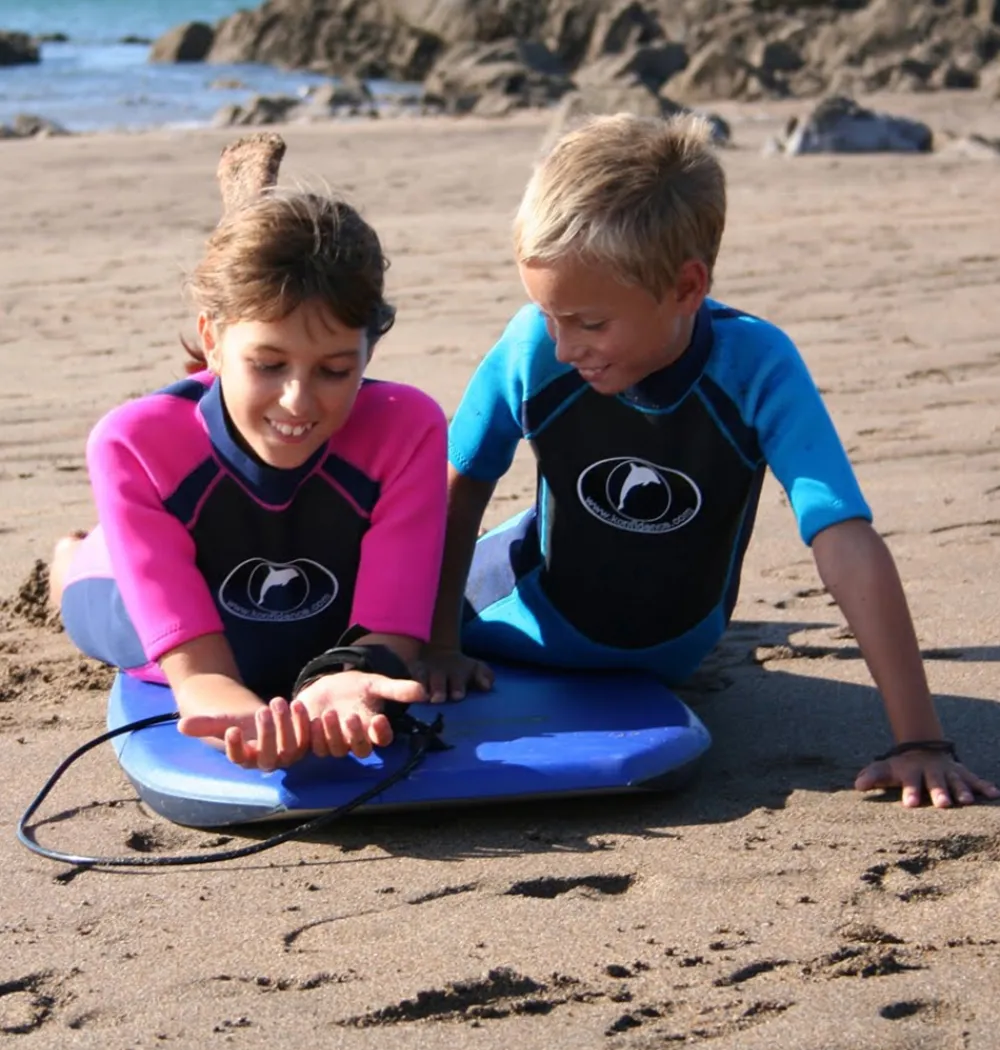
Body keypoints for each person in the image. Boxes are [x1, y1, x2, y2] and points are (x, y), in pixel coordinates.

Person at [417, 112, 998, 811]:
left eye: (590, 323)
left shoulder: (756, 366)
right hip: (551, 622)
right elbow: (453, 489)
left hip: (600, 640)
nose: (564, 346)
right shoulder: (535, 347)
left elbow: (844, 538)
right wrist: (437, 644)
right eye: (547, 315)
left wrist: (921, 741)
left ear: (688, 286)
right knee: (389, 588)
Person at [51, 134, 446, 772]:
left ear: (369, 351)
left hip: (309, 603)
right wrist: (245, 722)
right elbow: (202, 680)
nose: (299, 401)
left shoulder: (408, 427)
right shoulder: (133, 444)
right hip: (141, 603)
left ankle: (251, 244)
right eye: (268, 364)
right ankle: (74, 553)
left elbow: (389, 632)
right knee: (89, 584)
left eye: (335, 370)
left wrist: (348, 681)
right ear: (210, 340)